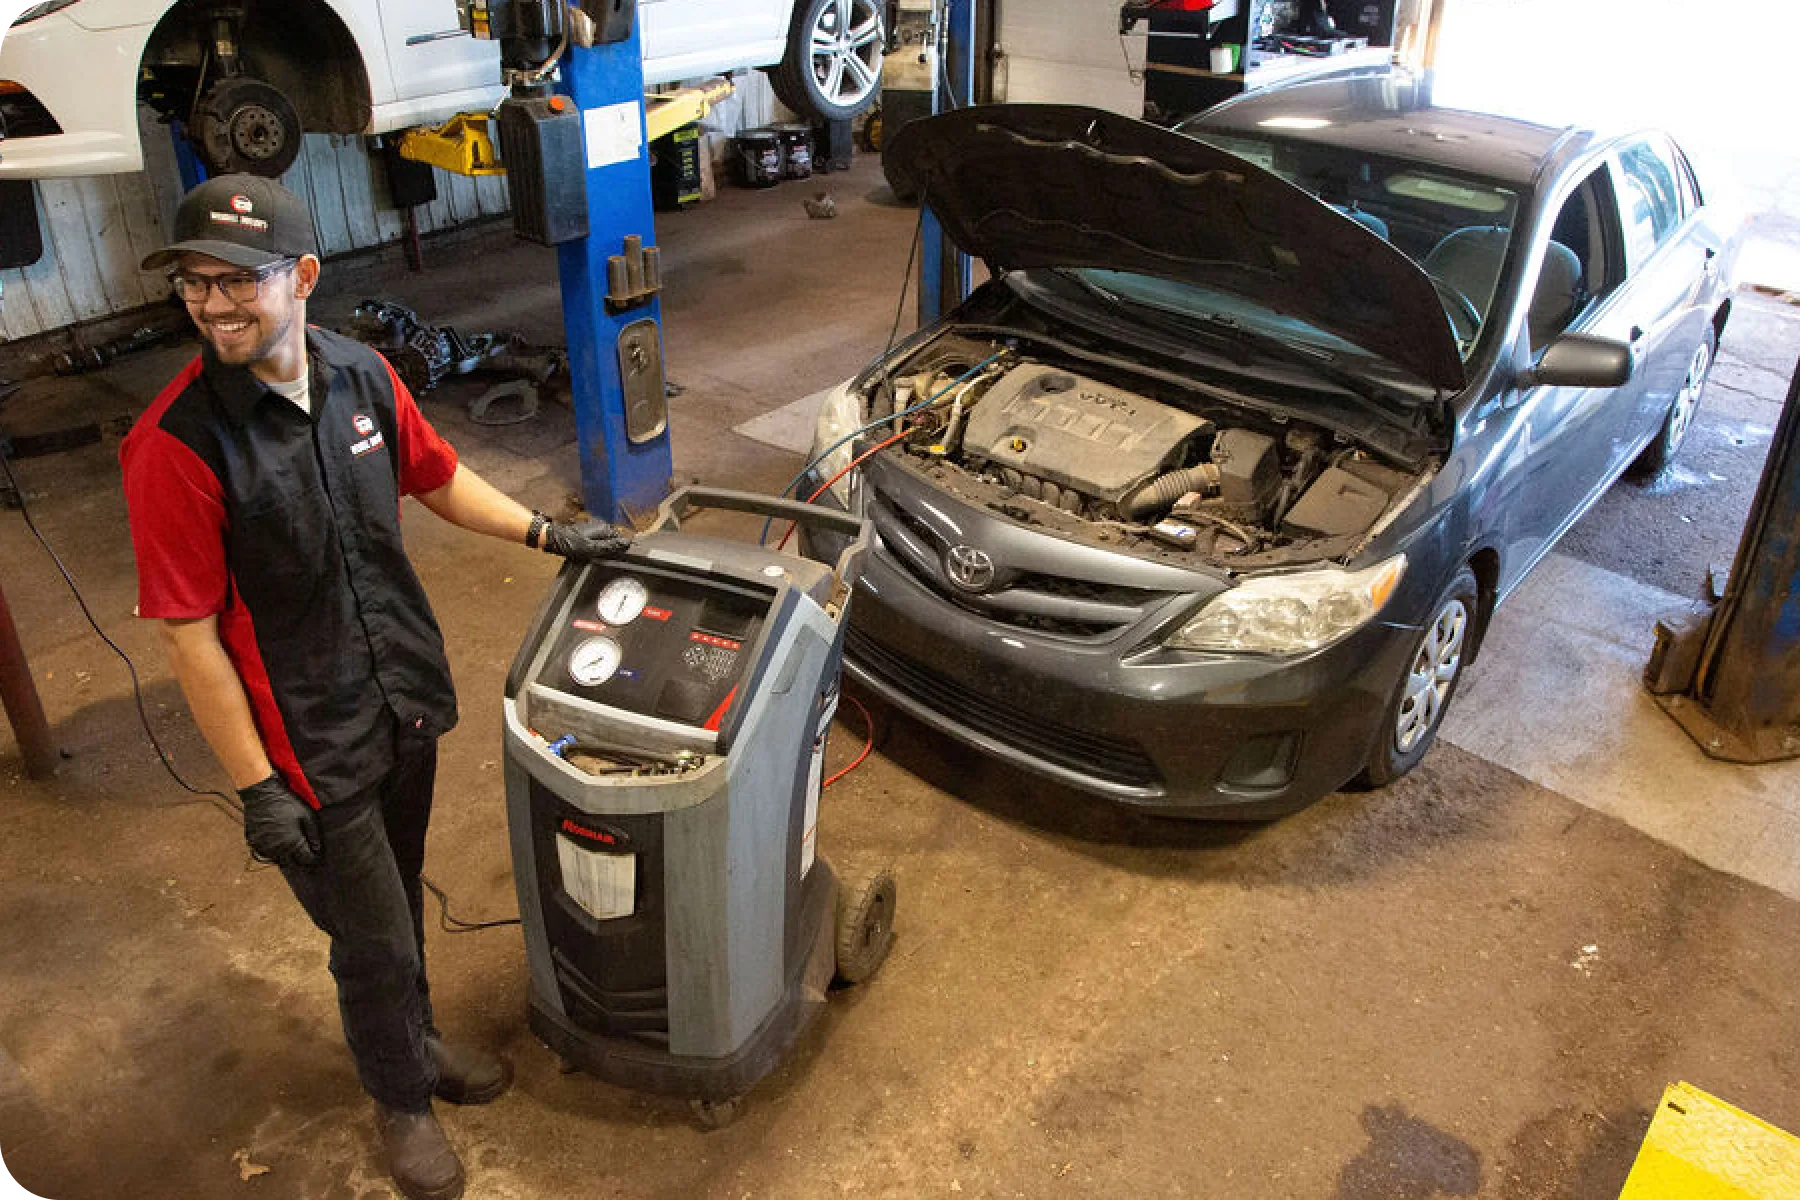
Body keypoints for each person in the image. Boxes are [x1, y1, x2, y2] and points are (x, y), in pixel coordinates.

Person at [119, 174, 630, 1200]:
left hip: (401, 694)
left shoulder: (361, 378)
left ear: (302, 277)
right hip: (303, 739)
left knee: (398, 892)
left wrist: (545, 531)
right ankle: (401, 1098)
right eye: (193, 285)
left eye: (237, 282)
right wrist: (257, 783)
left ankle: (421, 1041)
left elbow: (436, 475)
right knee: (372, 937)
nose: (213, 305)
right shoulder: (172, 445)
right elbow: (189, 638)